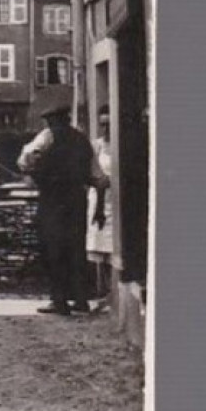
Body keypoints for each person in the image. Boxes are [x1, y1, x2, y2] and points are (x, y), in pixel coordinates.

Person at [19, 108, 109, 316]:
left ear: (51, 122)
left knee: (53, 249)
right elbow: (100, 179)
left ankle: (59, 301)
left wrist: (32, 172)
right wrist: (99, 206)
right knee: (76, 250)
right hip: (77, 201)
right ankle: (80, 300)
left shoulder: (47, 137)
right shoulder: (82, 140)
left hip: (53, 199)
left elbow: (26, 158)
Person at [87, 112, 114, 304]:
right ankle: (101, 288)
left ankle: (113, 290)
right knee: (97, 241)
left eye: (109, 124)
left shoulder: (121, 146)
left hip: (116, 197)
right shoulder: (96, 146)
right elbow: (89, 171)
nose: (105, 129)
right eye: (102, 124)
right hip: (97, 197)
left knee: (113, 243)